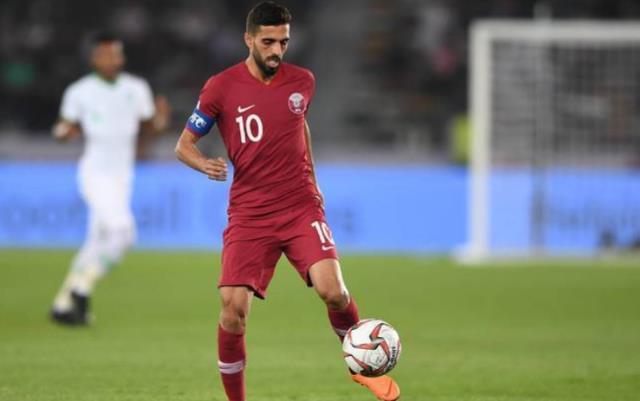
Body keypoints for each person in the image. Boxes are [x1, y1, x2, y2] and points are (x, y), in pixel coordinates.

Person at [174, 2, 400, 401]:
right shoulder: (220, 87)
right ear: (248, 40)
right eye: (268, 42)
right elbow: (183, 145)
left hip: (299, 206)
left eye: (283, 42)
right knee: (232, 310)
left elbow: (299, 127)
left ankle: (361, 366)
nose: (277, 50)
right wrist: (204, 163)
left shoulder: (303, 81)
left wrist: (313, 179)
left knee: (334, 291)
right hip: (250, 212)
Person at [50, 32, 170, 325]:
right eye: (105, 54)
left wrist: (161, 122)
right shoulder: (80, 91)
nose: (111, 59)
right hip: (95, 173)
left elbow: (149, 126)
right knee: (123, 234)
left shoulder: (136, 88)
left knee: (96, 242)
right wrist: (63, 133)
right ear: (94, 58)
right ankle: (82, 287)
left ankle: (62, 304)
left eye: (116, 54)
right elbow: (63, 129)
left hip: (122, 176)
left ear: (122, 57)